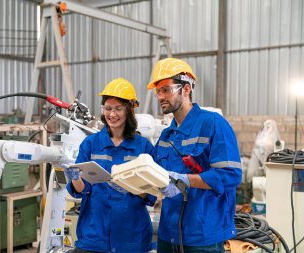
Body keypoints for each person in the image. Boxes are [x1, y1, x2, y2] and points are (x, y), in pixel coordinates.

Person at [147, 58, 242, 253]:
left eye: (166, 89)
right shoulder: (167, 136)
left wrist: (185, 180)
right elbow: (153, 174)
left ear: (186, 89)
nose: (160, 96)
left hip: (203, 236)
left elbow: (230, 175)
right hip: (168, 234)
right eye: (158, 91)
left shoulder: (213, 124)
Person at [64, 77, 156, 253]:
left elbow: (152, 193)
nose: (112, 114)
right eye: (107, 108)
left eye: (118, 108)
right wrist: (75, 178)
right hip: (94, 235)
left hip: (131, 236)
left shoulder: (143, 147)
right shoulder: (91, 144)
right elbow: (81, 190)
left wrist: (130, 186)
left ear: (129, 110)